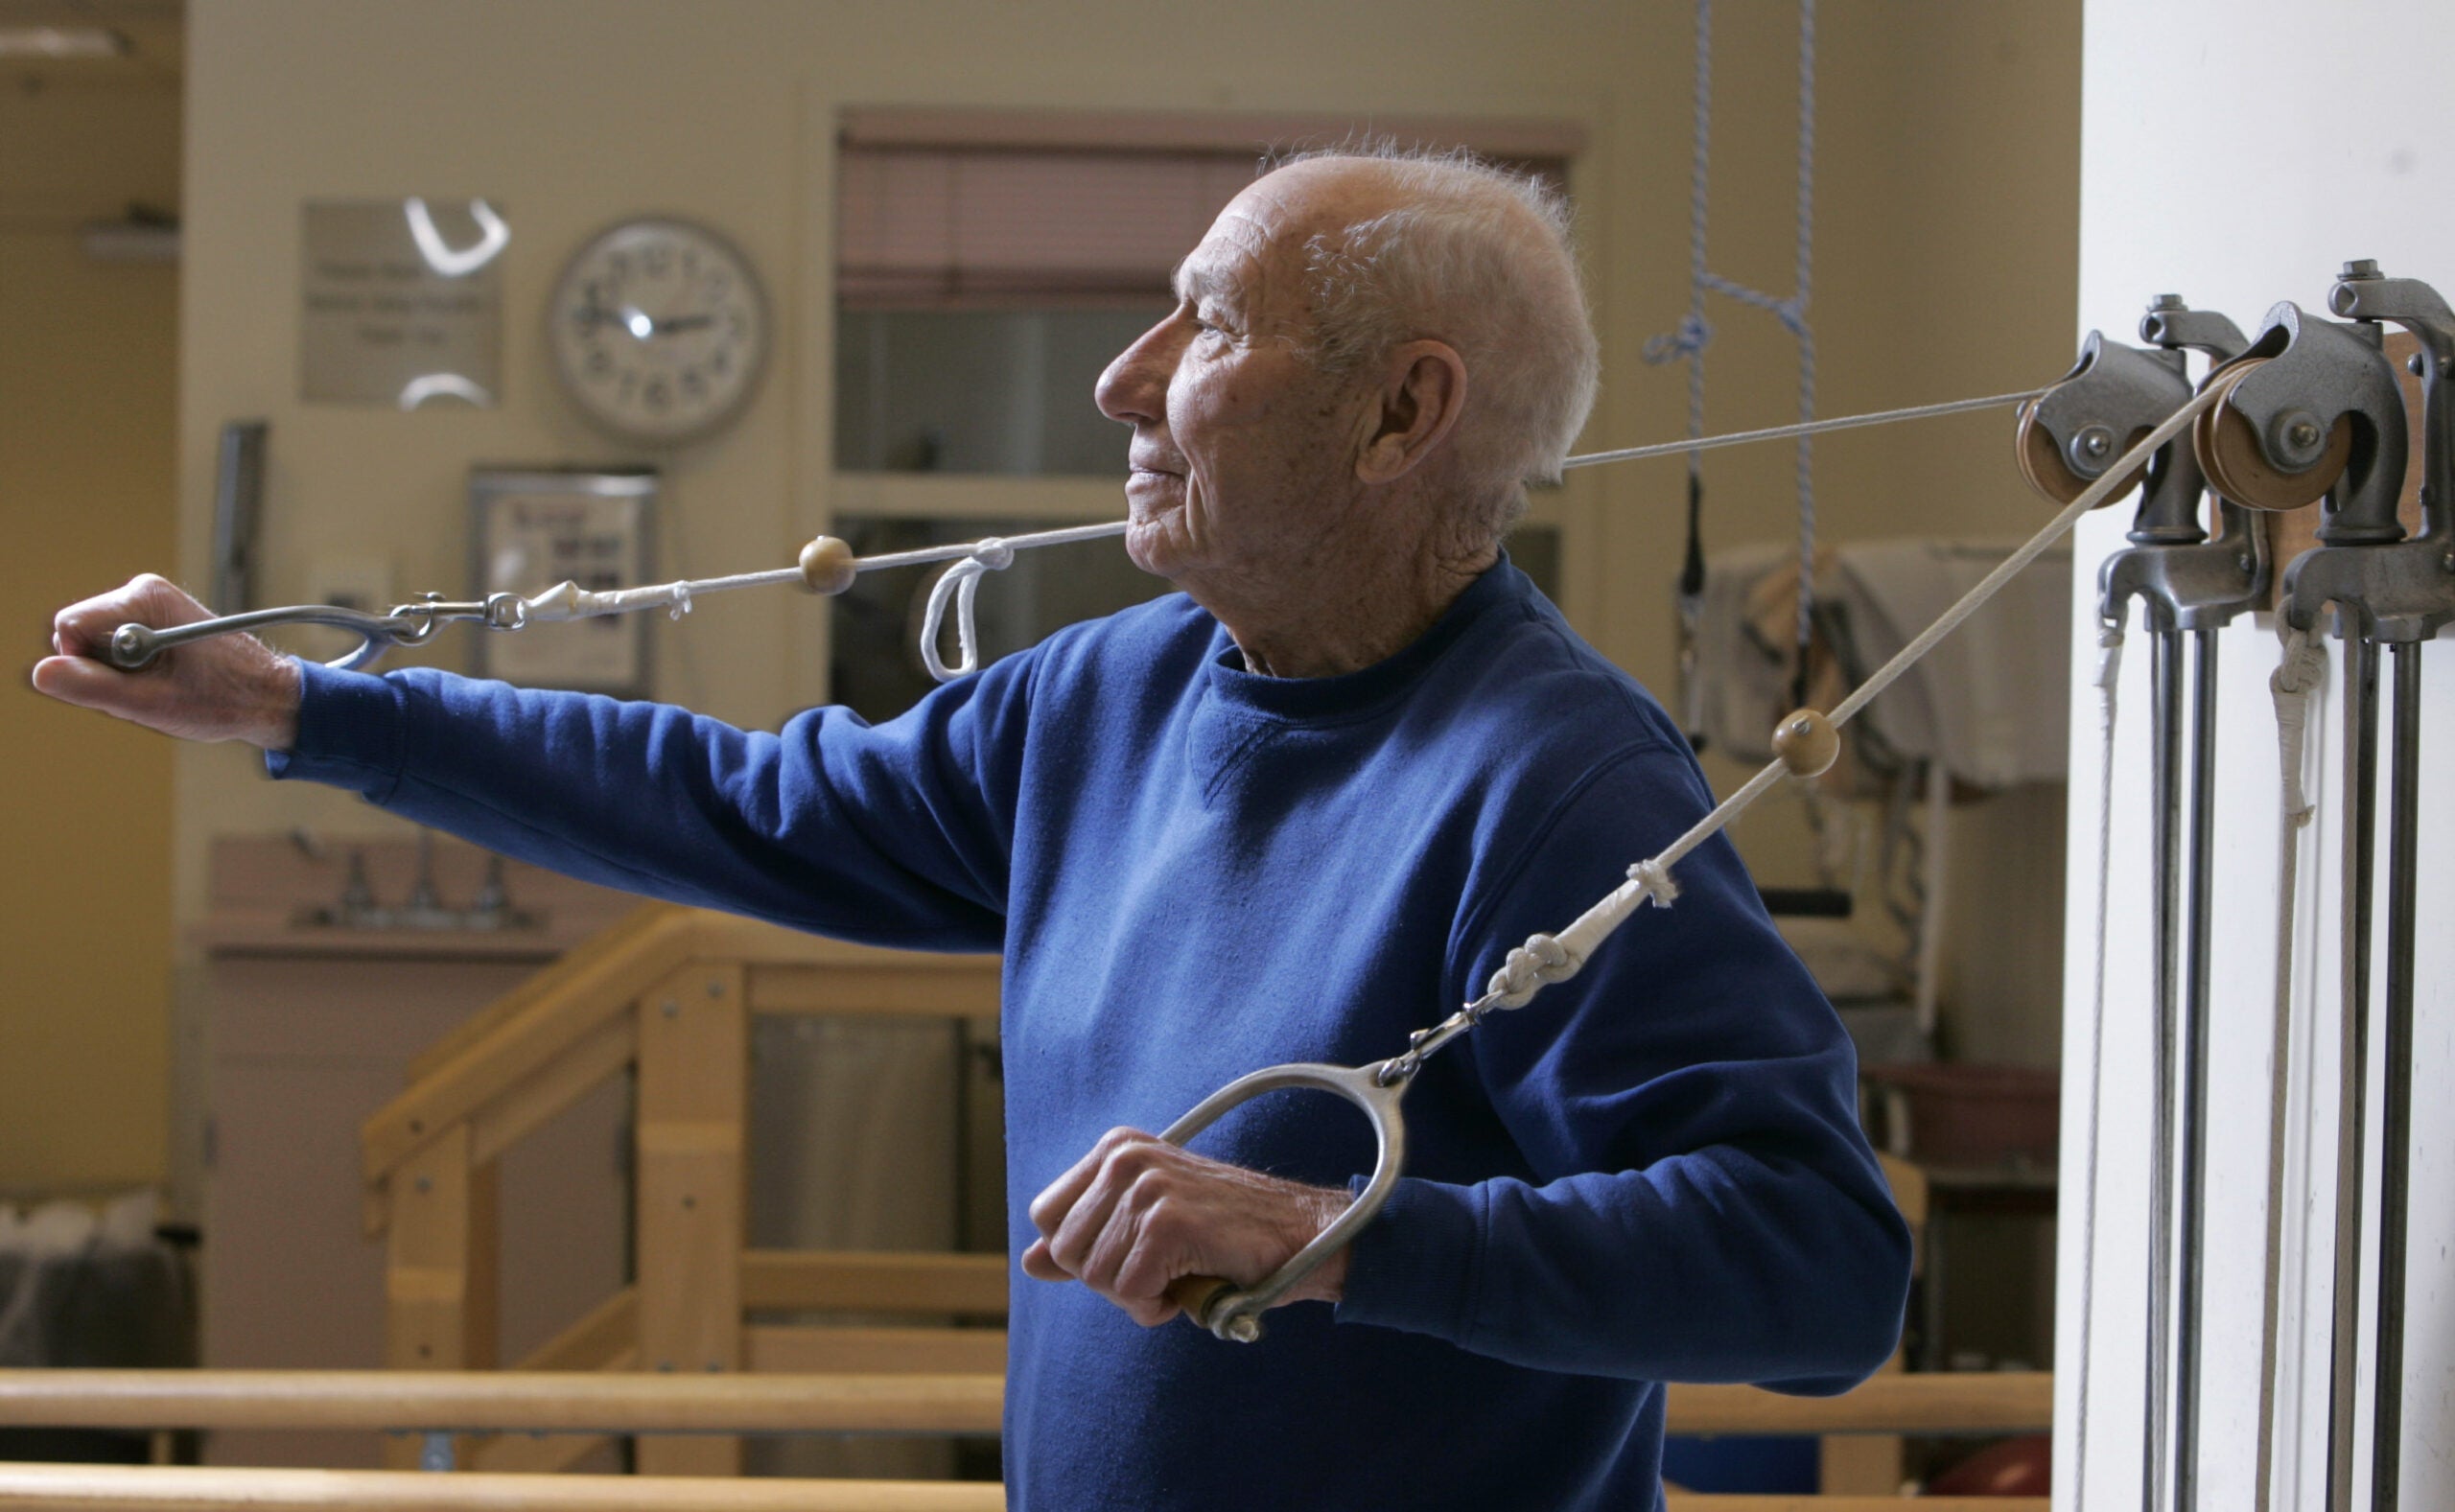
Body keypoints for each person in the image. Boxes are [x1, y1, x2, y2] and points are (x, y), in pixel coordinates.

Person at [38, 148, 1910, 1508]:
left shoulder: (1553, 780)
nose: (1121, 375)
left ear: (1397, 416)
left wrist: (1331, 1234)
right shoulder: (1106, 691)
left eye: (1208, 323)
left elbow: (1819, 1267)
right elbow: (735, 803)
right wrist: (304, 708)